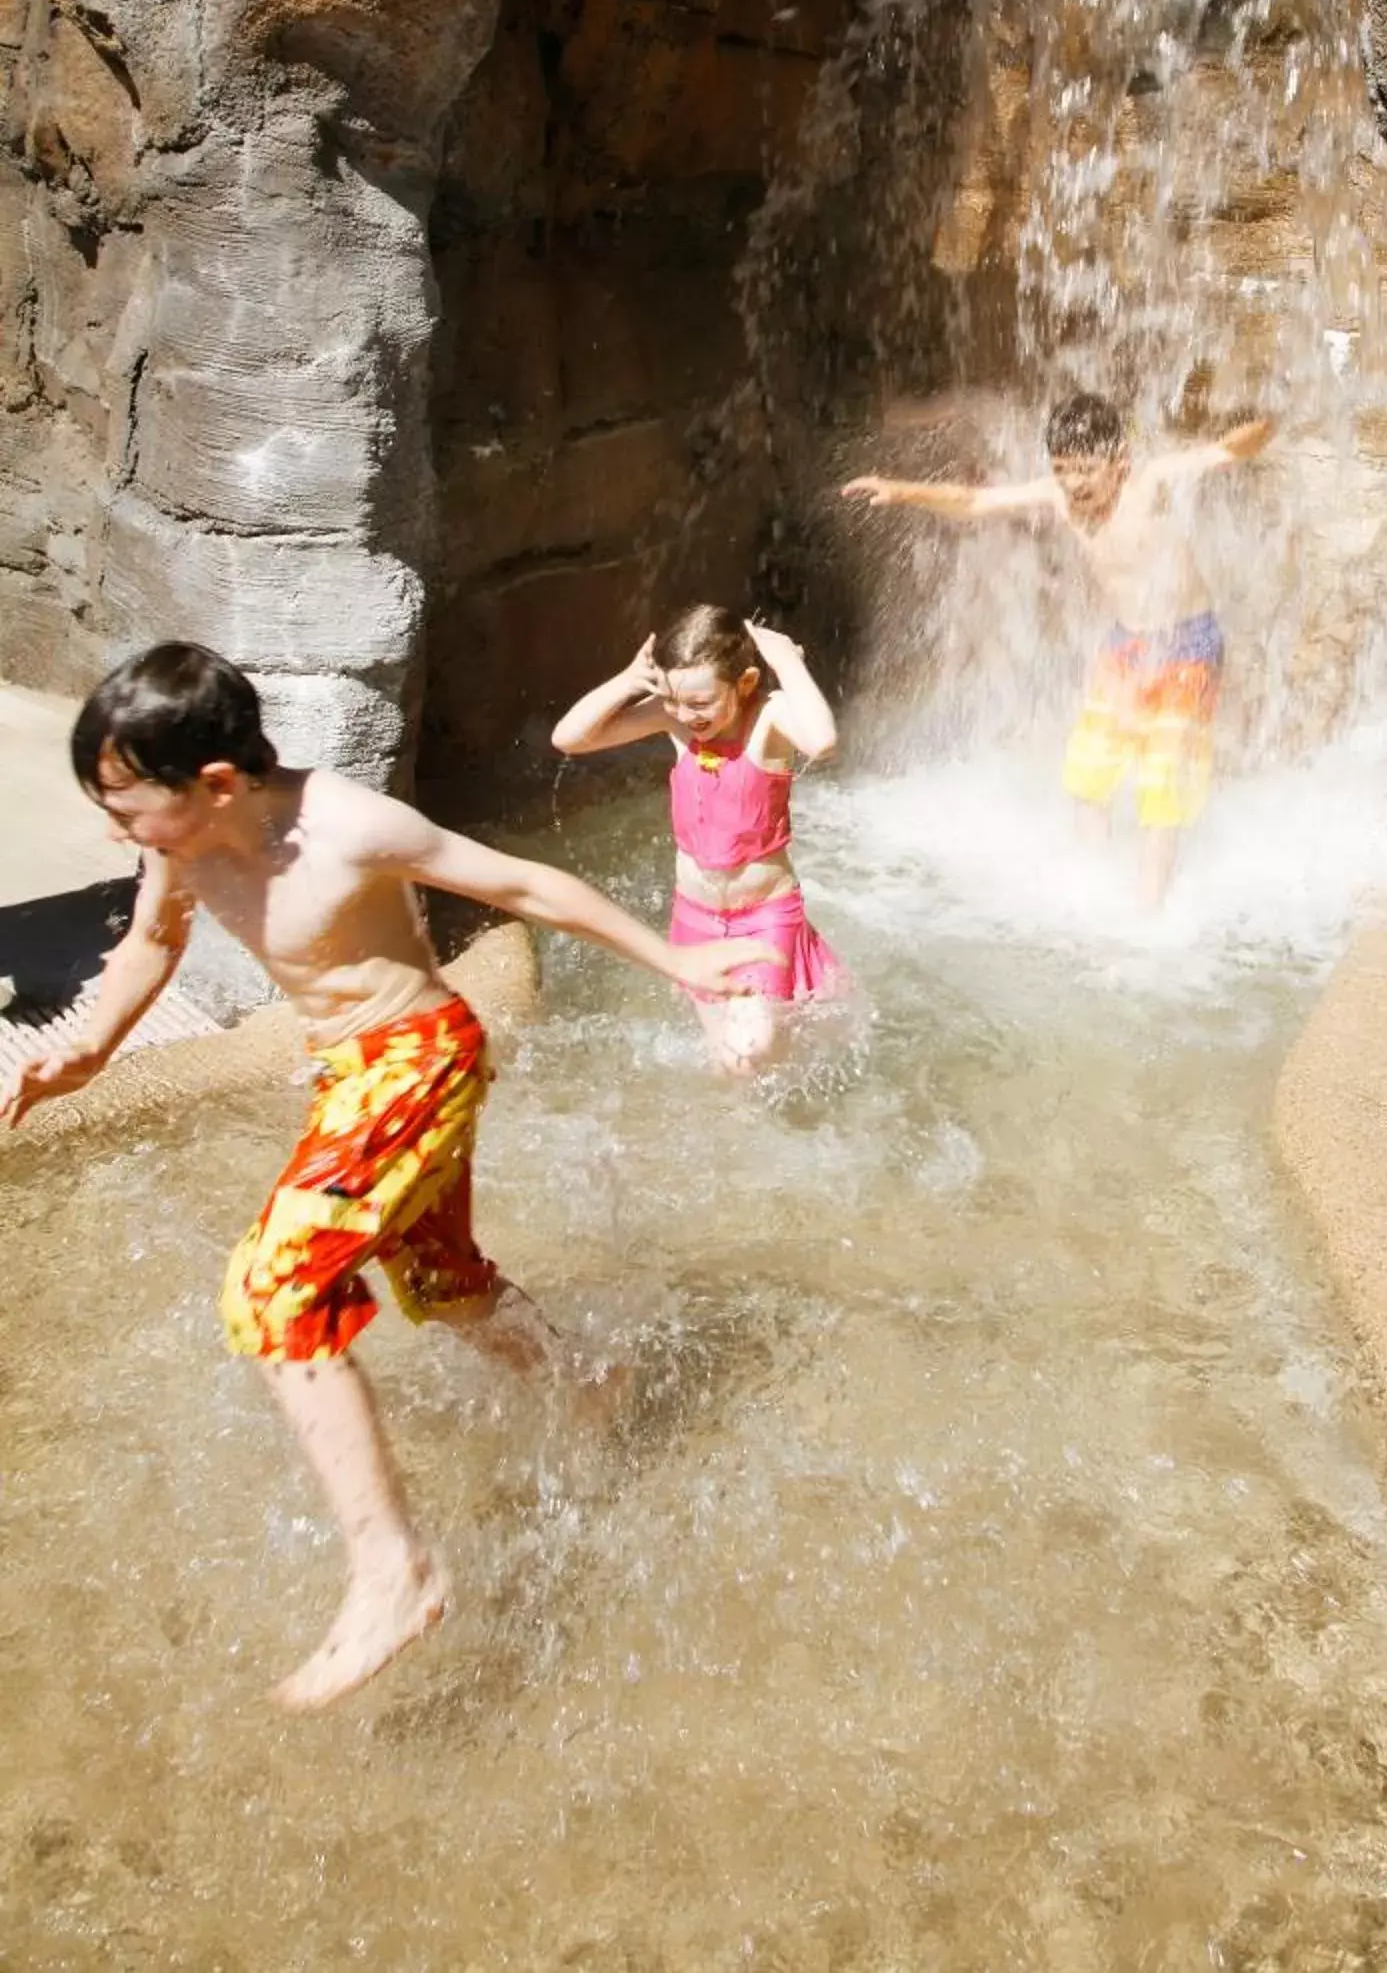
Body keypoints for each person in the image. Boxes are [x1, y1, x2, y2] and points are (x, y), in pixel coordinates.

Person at [0, 641, 778, 1713]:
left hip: (418, 1059)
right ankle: (590, 1390)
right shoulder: (182, 842)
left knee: (274, 1291)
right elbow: (149, 944)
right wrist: (84, 1048)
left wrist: (679, 961)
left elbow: (521, 883)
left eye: (130, 809)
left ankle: (392, 1569)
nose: (117, 831)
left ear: (216, 784)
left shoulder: (348, 830)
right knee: (444, 1283)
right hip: (351, 1075)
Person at [843, 392, 1272, 905]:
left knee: (1162, 784)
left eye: (1086, 469)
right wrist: (902, 491)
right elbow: (976, 501)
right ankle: (1089, 890)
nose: (1072, 482)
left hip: (1187, 647)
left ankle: (1149, 908)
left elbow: (1225, 452)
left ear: (1120, 464)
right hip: (1126, 646)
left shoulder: (1149, 483)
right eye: (1062, 467)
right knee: (1089, 772)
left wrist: (1264, 427)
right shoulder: (1056, 495)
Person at [551, 608, 846, 1076]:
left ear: (745, 683)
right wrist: (630, 681)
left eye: (701, 703)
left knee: (750, 1053)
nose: (687, 715)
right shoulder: (678, 722)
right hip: (694, 920)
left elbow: (823, 740)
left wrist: (787, 663)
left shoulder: (768, 719)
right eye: (673, 700)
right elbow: (569, 738)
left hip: (763, 919)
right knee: (726, 1064)